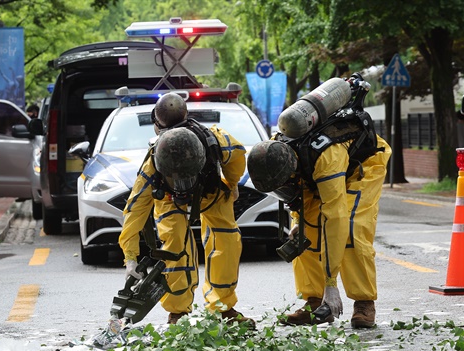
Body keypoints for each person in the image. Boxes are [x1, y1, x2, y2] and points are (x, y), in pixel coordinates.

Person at [247, 82, 392, 329]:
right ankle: (313, 302)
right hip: (317, 173)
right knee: (304, 232)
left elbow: (334, 218)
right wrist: (297, 222)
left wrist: (331, 283)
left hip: (362, 167)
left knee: (350, 228)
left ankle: (364, 303)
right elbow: (298, 195)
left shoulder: (326, 158)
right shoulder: (278, 148)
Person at [118, 92, 253, 326]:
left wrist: (231, 184)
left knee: (227, 242)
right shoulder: (154, 162)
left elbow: (237, 155)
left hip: (209, 190)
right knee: (174, 247)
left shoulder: (213, 142)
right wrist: (130, 258)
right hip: (170, 199)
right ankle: (178, 313)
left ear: (156, 125)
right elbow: (136, 207)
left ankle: (222, 307)